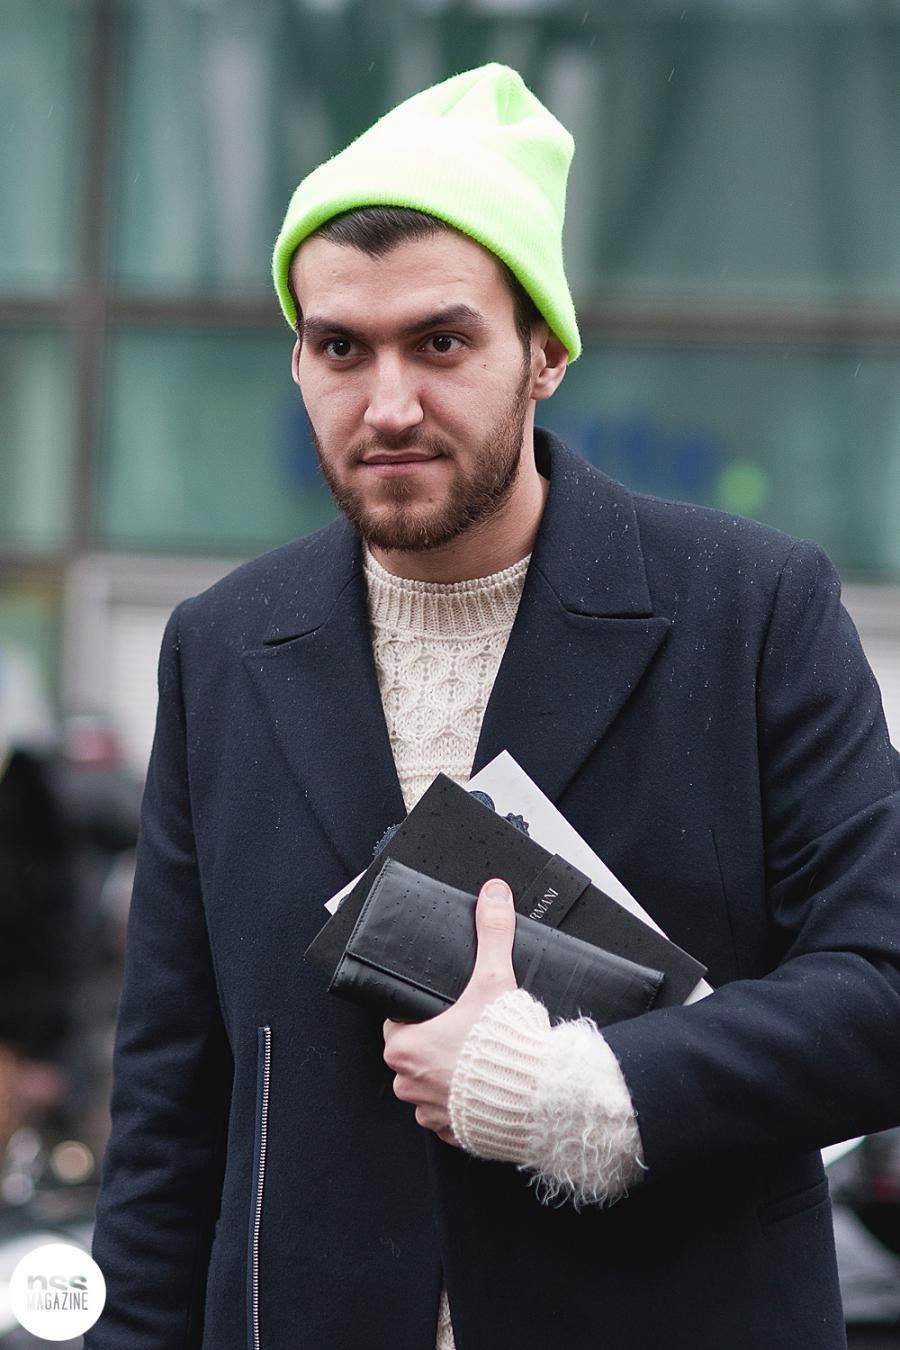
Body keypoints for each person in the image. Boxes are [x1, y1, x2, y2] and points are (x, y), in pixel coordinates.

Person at [87, 64, 900, 1350]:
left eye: (442, 342)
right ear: (296, 359)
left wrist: (570, 1088)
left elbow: (880, 990)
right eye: (341, 347)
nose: (389, 403)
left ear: (546, 354)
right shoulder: (222, 646)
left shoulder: (751, 609)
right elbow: (171, 1109)